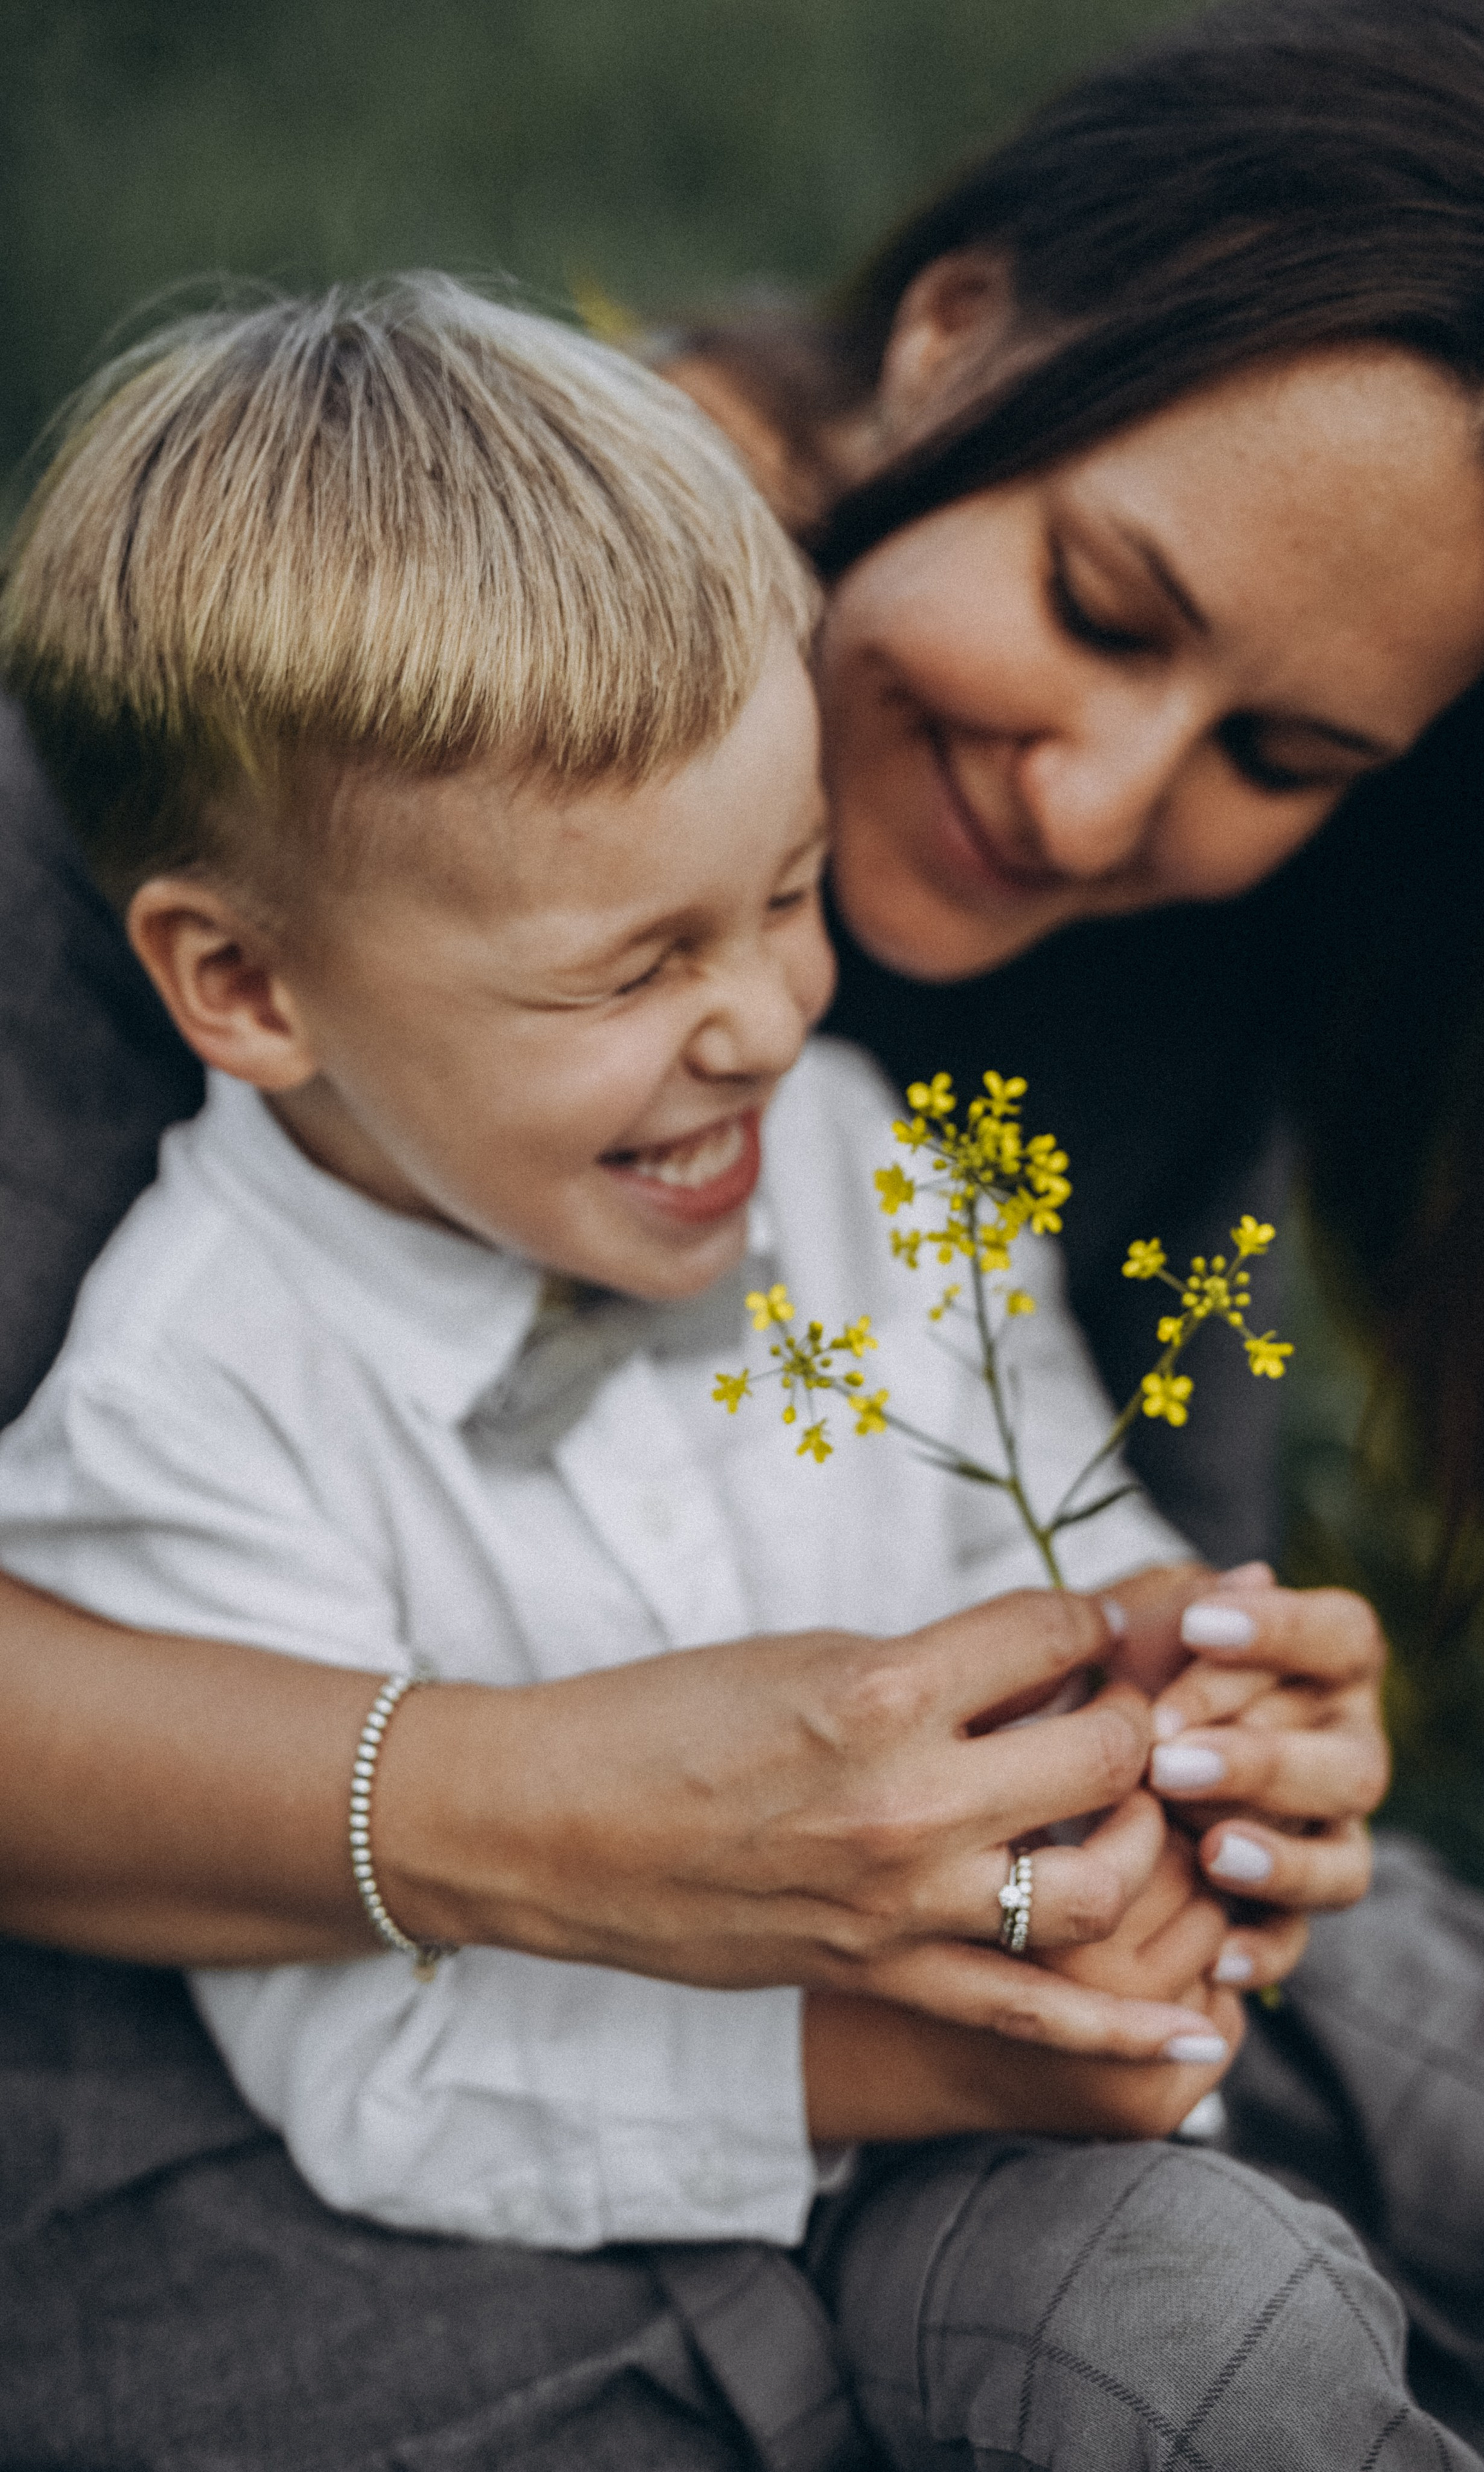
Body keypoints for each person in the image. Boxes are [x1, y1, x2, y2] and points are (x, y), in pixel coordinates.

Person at [1, 1, 1484, 2466]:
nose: (1099, 809)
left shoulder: (928, 1093)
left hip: (1037, 2018)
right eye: (1102, 604)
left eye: (1284, 758)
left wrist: (1228, 1715)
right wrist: (529, 1817)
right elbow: (389, 2043)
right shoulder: (261, 781)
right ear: (952, 332)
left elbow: (1108, 1526)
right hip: (339, 2083)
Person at [0, 279, 1248, 2251]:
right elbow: (375, 2066)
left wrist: (1181, 1686)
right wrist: (945, 2058)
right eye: (636, 966)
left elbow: (1048, 1516)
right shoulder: (196, 1401)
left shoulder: (848, 1151)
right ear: (242, 984)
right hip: (771, 2199)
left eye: (787, 892)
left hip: (1112, 2035)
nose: (767, 1016)